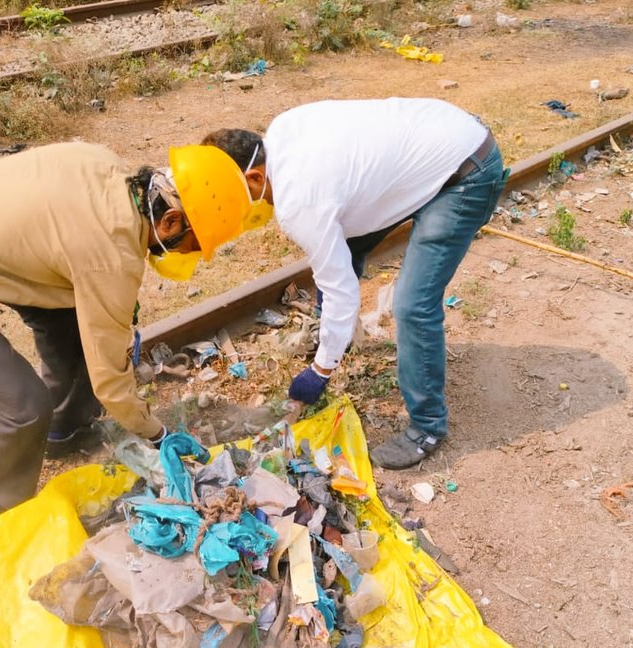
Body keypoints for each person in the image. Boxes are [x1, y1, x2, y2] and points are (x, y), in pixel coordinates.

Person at [0, 142, 250, 516]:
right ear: (170, 221)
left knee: (75, 328)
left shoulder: (105, 166)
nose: (190, 255)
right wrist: (157, 434)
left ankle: (64, 431)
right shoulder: (109, 258)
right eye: (192, 245)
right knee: (25, 405)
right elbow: (111, 383)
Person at [201, 97, 509, 470]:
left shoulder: (300, 201)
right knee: (340, 246)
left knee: (413, 305)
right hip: (445, 131)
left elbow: (341, 289)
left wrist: (320, 373)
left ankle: (427, 426)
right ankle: (332, 337)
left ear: (253, 177)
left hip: (465, 173)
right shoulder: (281, 129)